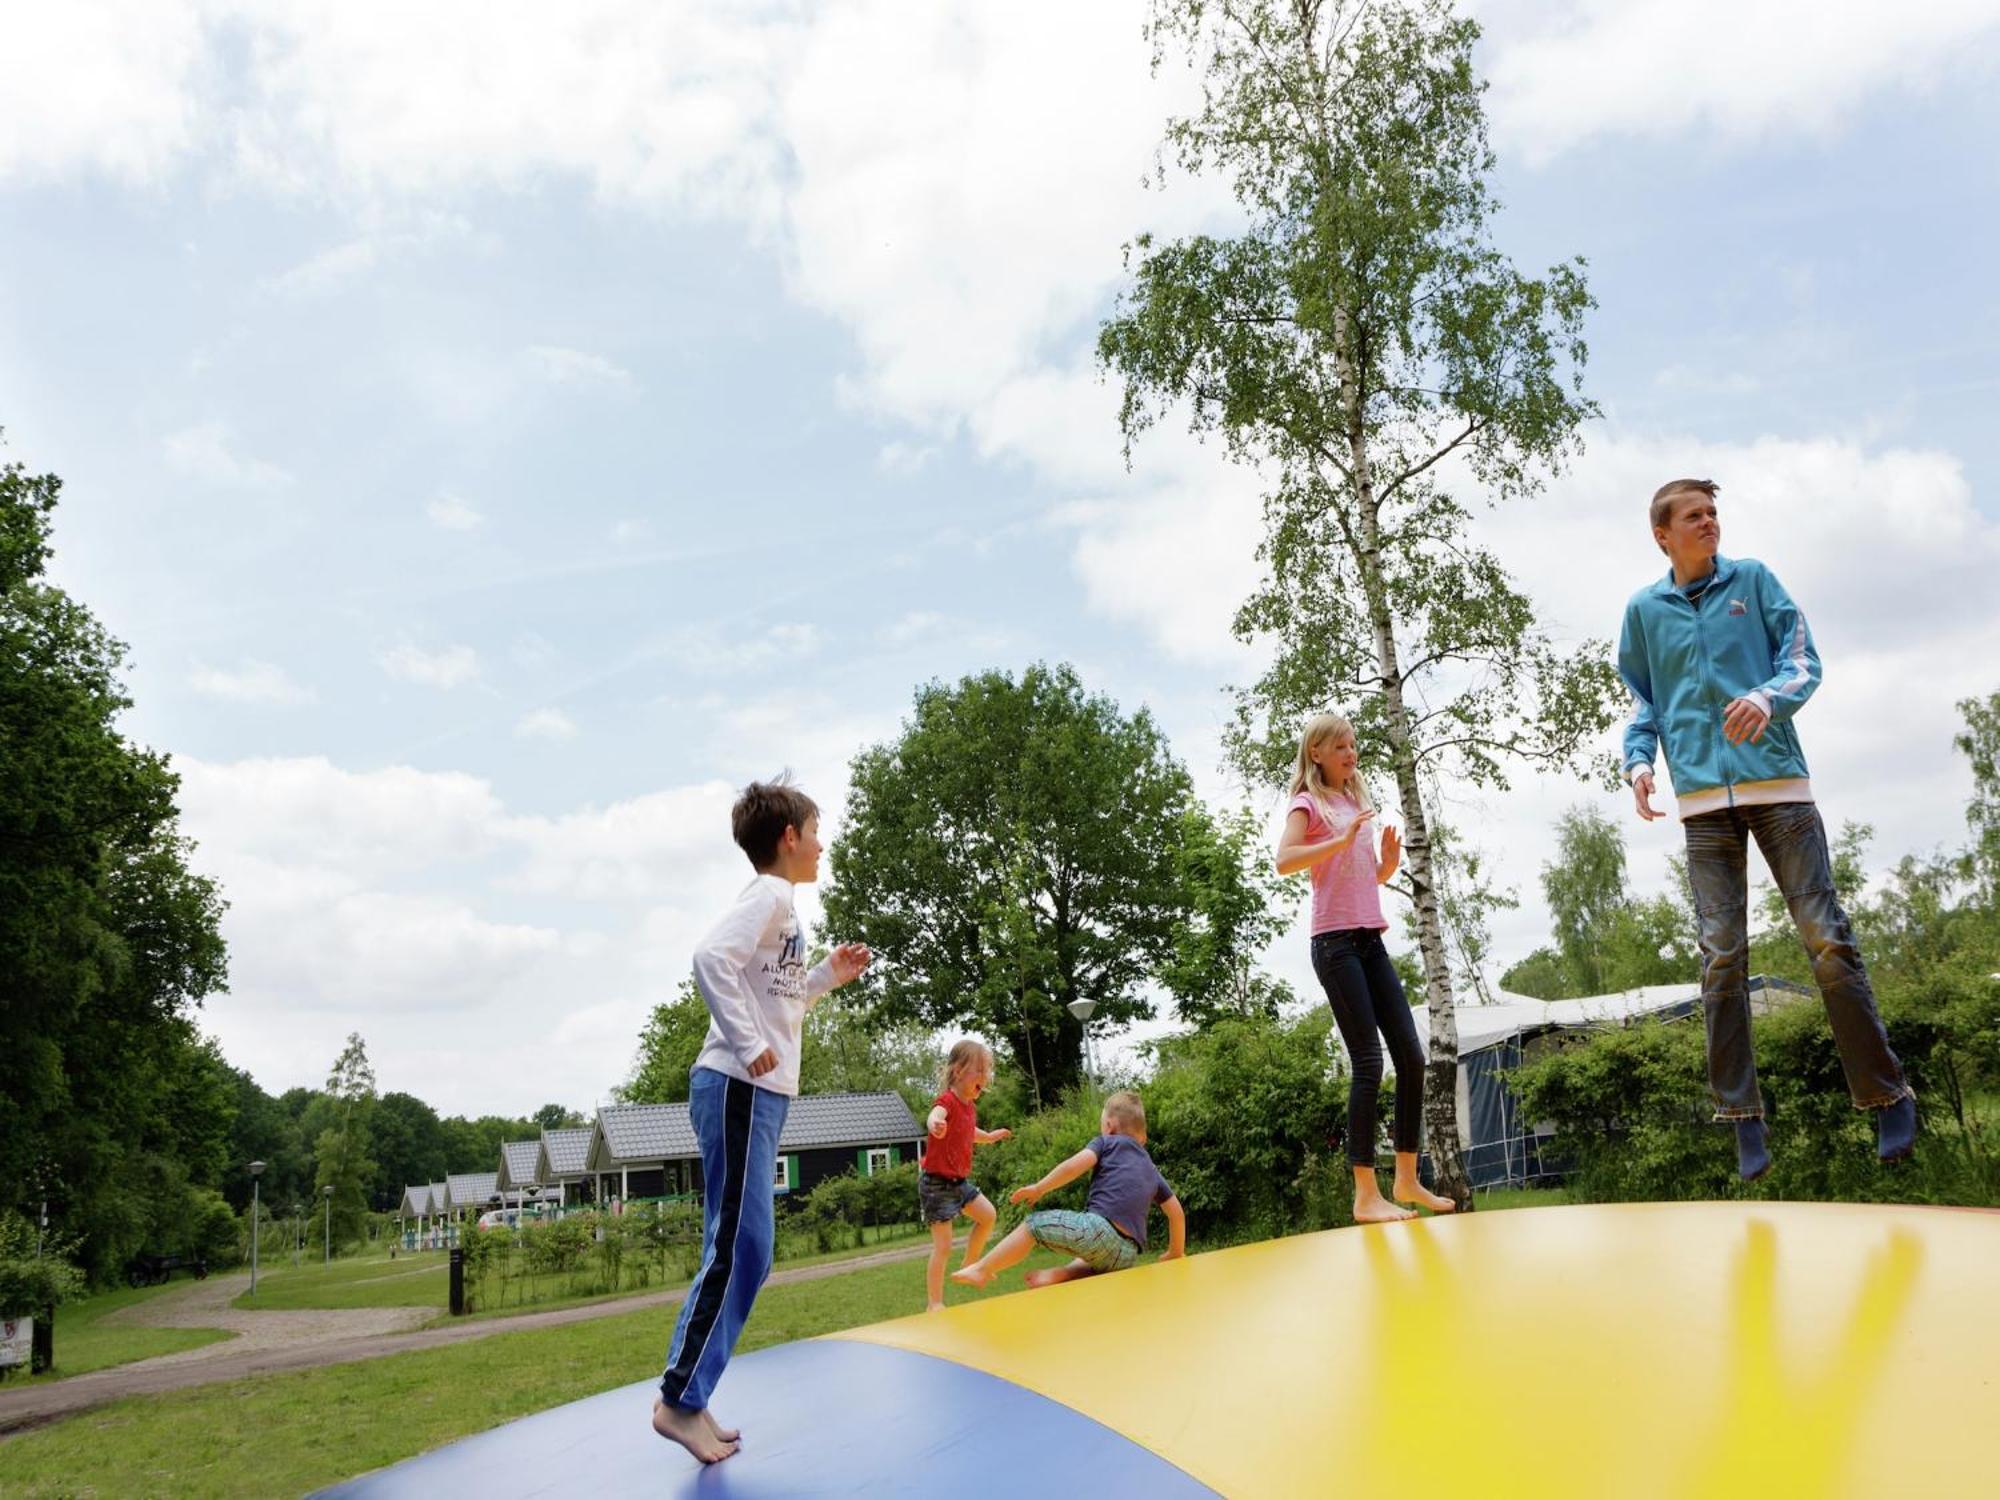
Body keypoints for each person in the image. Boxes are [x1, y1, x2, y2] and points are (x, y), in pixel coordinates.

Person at [1618, 478, 1917, 1182]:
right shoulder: (1643, 611)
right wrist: (1637, 764)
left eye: (1713, 512)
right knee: (1721, 954)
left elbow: (1803, 661)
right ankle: (1743, 1119)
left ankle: (1886, 1094)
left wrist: (1766, 698)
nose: (1709, 523)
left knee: (1824, 939)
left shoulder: (1753, 580)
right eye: (1695, 516)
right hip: (1701, 805)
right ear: (1663, 533)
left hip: (1778, 788)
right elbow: (1644, 699)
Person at [652, 776, 873, 1464]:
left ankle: (690, 1397)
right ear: (789, 837)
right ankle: (678, 1402)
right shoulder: (772, 896)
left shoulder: (783, 912)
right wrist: (748, 1047)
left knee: (744, 1248)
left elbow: (777, 997)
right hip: (738, 1086)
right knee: (741, 1248)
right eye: (815, 829)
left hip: (756, 1093)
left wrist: (825, 977)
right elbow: (709, 959)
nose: (821, 843)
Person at [1277, 714, 1455, 1221]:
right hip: (1333, 945)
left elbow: (1357, 878)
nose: (1352, 753)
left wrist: (1386, 866)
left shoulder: (1356, 799)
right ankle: (1364, 1195)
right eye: (1341, 746)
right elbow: (1285, 859)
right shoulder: (1306, 803)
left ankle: (1405, 1178)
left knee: (1412, 1056)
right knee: (1368, 1063)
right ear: (1317, 753)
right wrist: (1336, 840)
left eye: (1354, 745)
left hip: (1368, 937)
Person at [951, 1090, 1183, 1291]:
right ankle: (1062, 1275)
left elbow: (1074, 1166)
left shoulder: (1107, 1143)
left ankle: (981, 1269)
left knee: (1033, 1226)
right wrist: (1174, 1252)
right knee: (1091, 1260)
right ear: (1141, 1138)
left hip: (1100, 1232)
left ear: (1109, 1127)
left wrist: (1039, 1187)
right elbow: (1175, 1213)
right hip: (1127, 1254)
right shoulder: (1151, 1168)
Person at [920, 1039, 1009, 1312]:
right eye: (979, 1070)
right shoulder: (947, 1100)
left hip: (959, 1183)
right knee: (943, 1246)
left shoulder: (969, 1107)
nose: (985, 1077)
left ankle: (971, 1263)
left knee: (988, 1215)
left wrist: (990, 1137)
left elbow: (970, 1132)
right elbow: (936, 1113)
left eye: (987, 1071)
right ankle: (934, 1302)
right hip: (936, 1184)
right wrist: (934, 1122)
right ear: (958, 1071)